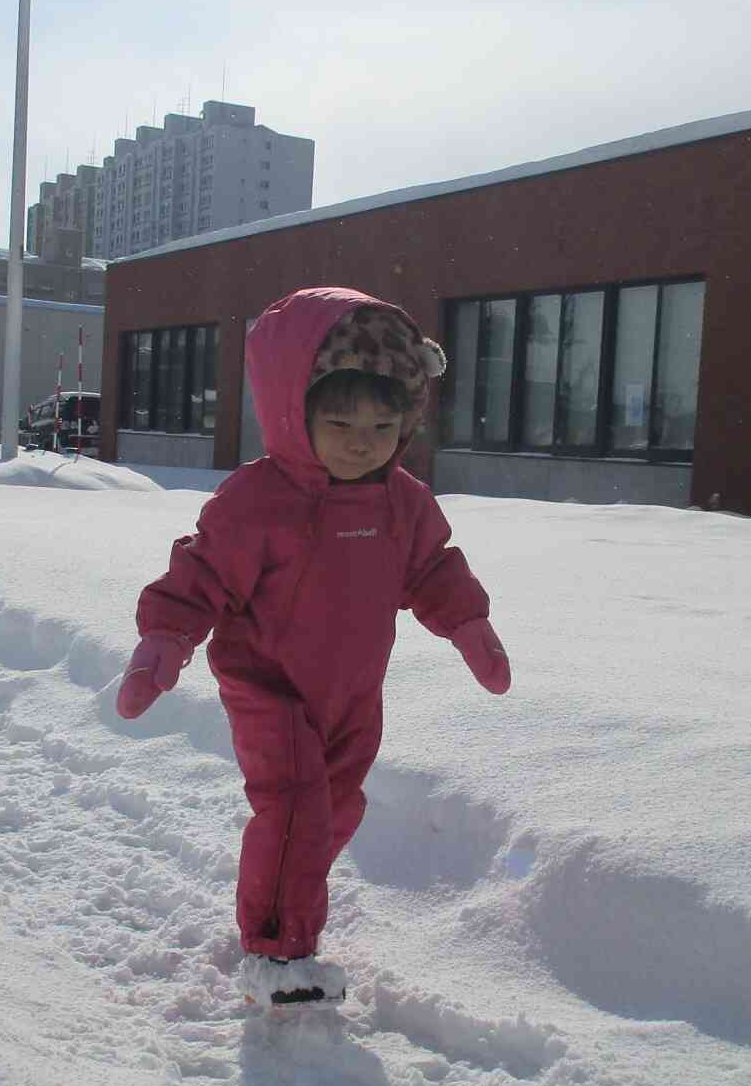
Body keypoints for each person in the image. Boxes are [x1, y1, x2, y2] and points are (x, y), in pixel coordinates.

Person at [114, 286, 511, 1005]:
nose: (363, 441)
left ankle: (282, 895)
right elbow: (200, 570)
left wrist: (468, 625)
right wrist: (164, 640)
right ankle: (277, 953)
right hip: (265, 679)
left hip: (351, 689)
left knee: (335, 809)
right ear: (293, 413)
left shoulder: (403, 502)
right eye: (339, 422)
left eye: (384, 424)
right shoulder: (257, 500)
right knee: (296, 804)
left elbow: (431, 568)